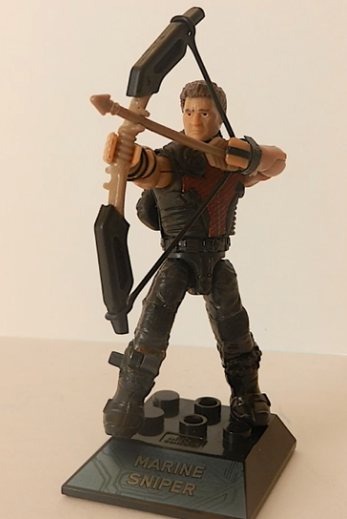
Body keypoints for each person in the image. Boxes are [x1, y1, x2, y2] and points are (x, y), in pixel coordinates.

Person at [102, 80, 287, 438]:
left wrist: (247, 153)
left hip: (217, 260)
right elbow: (148, 169)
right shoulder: (172, 158)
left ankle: (247, 395)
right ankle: (128, 400)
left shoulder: (233, 158)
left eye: (205, 112)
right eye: (189, 112)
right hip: (178, 261)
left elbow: (277, 161)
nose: (195, 120)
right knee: (152, 331)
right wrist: (128, 154)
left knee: (235, 332)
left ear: (220, 116)